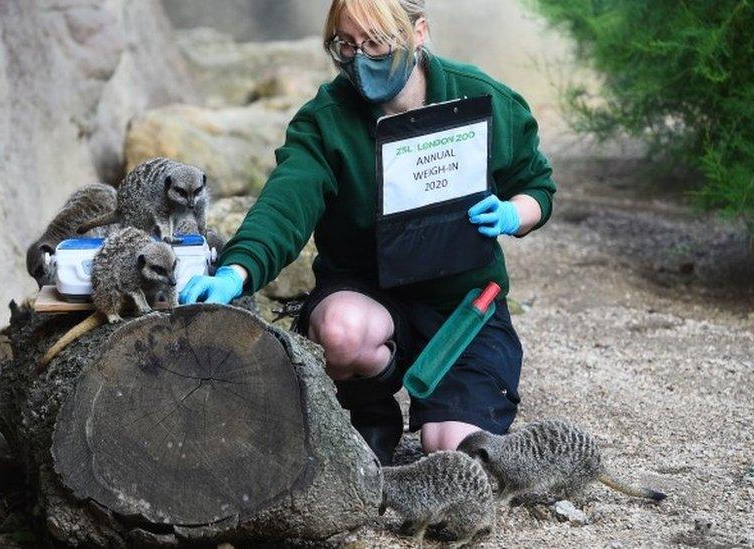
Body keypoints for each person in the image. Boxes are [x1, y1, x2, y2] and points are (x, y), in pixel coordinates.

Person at [180, 0, 555, 466]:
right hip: (368, 292)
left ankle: (449, 402)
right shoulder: (326, 119)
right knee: (341, 331)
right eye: (346, 46)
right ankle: (368, 408)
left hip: (462, 305)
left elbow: (536, 187)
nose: (361, 60)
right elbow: (286, 203)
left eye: (376, 43)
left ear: (418, 32)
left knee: (451, 452)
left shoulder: (481, 98)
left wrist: (511, 214)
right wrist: (236, 272)